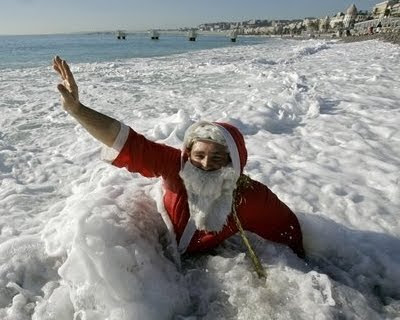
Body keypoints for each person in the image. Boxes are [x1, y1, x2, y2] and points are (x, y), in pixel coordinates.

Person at [52, 56, 305, 261]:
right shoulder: (176, 166)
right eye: (199, 156)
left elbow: (287, 228)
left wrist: (303, 261)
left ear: (234, 161)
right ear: (188, 155)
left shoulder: (250, 196)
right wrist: (78, 110)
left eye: (218, 158)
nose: (206, 165)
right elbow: (126, 141)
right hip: (163, 241)